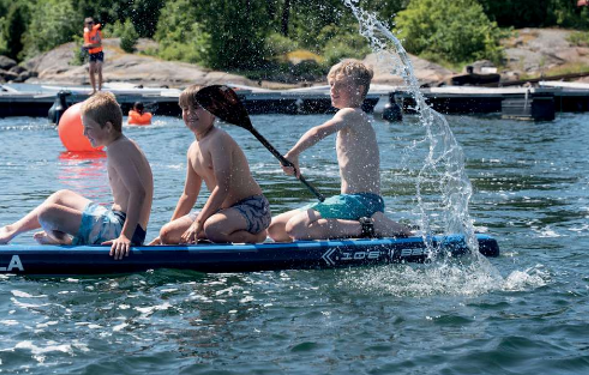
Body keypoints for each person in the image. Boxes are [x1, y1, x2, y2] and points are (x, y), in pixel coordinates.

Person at [0, 92, 153, 259]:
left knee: (47, 214)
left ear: (107, 127)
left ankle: (63, 240)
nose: (84, 134)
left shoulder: (117, 149)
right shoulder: (123, 144)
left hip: (122, 230)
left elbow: (138, 192)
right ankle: (10, 230)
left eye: (88, 128)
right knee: (62, 196)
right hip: (117, 221)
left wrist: (125, 238)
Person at [268, 59, 411, 241]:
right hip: (349, 202)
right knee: (275, 229)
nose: (333, 90)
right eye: (331, 85)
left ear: (359, 90)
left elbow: (319, 131)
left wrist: (292, 155)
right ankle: (354, 226)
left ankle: (370, 226)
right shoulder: (352, 116)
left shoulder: (351, 113)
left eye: (340, 85)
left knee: (296, 229)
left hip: (364, 202)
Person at [155, 85, 271, 245]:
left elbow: (223, 187)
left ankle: (257, 236)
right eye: (185, 108)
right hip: (223, 211)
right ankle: (208, 233)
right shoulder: (192, 149)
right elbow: (189, 195)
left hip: (254, 208)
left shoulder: (218, 139)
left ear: (213, 112)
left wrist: (198, 223)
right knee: (167, 234)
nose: (189, 113)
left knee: (213, 228)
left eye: (196, 107)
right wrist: (167, 230)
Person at [83, 17, 103, 93]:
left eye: (91, 23)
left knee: (99, 69)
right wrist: (85, 46)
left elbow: (98, 44)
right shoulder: (86, 33)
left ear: (93, 24)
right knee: (91, 71)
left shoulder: (97, 31)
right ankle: (94, 90)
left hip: (99, 53)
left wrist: (89, 45)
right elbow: (86, 43)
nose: (90, 25)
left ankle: (100, 90)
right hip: (92, 53)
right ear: (86, 25)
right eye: (89, 23)